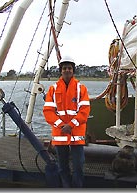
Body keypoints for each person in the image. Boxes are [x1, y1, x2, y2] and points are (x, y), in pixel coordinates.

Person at [43, 56, 90, 188]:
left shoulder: (81, 89)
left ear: (73, 70)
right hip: (60, 134)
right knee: (62, 167)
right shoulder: (53, 89)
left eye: (69, 68)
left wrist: (71, 125)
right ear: (61, 71)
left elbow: (84, 111)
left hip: (77, 134)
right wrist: (62, 125)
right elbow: (48, 111)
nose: (67, 70)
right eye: (64, 68)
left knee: (78, 166)